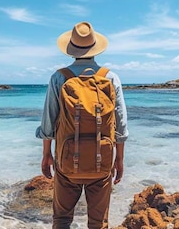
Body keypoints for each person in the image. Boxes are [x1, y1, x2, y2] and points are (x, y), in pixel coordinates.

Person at [36, 21, 128, 229]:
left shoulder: (59, 77)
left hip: (66, 162)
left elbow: (48, 121)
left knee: (61, 219)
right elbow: (120, 126)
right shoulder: (111, 78)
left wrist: (46, 154)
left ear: (71, 49)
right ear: (96, 48)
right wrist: (119, 160)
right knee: (99, 223)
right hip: (101, 162)